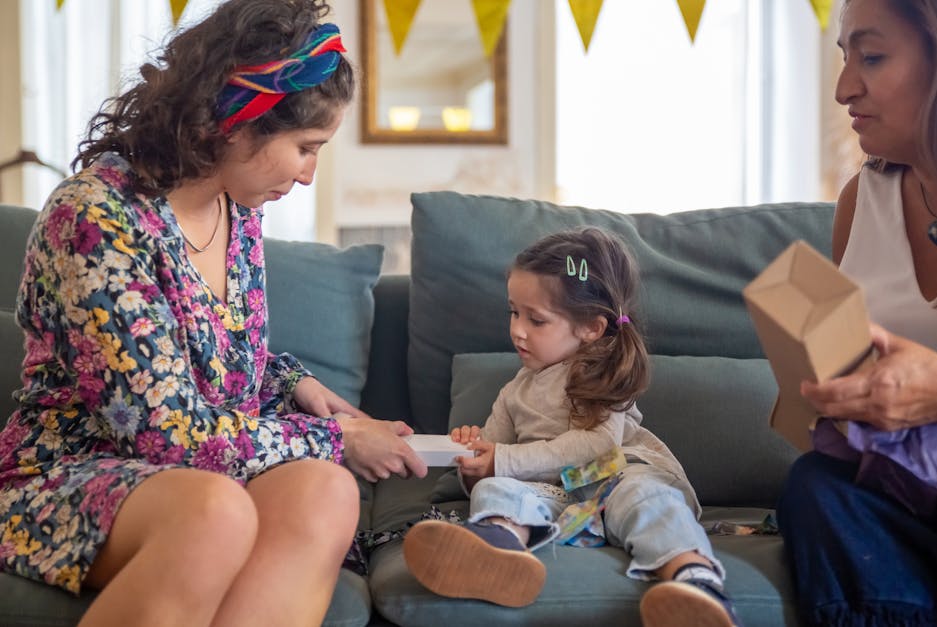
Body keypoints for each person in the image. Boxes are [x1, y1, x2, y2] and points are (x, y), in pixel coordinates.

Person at [0, 1, 427, 625]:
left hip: (205, 472)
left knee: (325, 491)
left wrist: (291, 382)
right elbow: (164, 435)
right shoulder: (94, 217)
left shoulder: (240, 209)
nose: (310, 175)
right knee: (215, 513)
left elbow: (206, 351)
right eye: (306, 147)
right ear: (239, 122)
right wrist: (337, 437)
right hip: (66, 475)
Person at [401, 228, 741, 626]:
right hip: (557, 496)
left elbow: (597, 445)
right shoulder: (514, 392)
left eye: (536, 319)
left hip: (617, 475)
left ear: (591, 328)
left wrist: (506, 458)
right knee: (497, 489)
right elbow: (498, 461)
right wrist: (475, 461)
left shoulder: (604, 374)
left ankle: (694, 583)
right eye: (514, 312)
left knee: (646, 497)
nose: (517, 330)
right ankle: (498, 550)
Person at [777, 0, 937, 625]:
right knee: (816, 484)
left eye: (871, 57)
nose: (845, 88)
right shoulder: (861, 200)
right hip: (901, 495)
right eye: (846, 57)